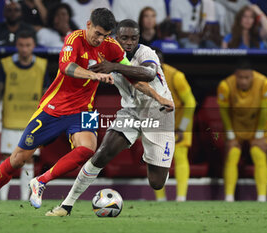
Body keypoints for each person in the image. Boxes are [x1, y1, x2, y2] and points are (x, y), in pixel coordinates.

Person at [0, 7, 133, 217]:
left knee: (89, 149)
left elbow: (128, 69)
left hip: (84, 109)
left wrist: (149, 82)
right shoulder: (73, 38)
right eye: (98, 33)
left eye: (106, 35)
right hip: (53, 108)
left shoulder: (112, 47)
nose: (100, 39)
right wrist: (94, 75)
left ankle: (41, 181)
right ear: (88, 25)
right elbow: (66, 67)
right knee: (17, 159)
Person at [43, 19, 175, 217]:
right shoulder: (105, 54)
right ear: (115, 38)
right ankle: (66, 205)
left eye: (134, 38)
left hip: (159, 112)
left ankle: (148, 149)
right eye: (124, 38)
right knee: (102, 153)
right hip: (131, 112)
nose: (129, 42)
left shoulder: (146, 53)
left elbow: (147, 74)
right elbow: (83, 72)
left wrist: (114, 66)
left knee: (157, 183)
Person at [0, 30, 49, 201]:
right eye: (21, 45)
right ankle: (2, 199)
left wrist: (46, 118)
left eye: (28, 45)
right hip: (10, 118)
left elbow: (46, 94)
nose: (24, 49)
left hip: (32, 121)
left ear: (33, 46)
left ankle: (24, 198)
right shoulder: (6, 64)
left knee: (28, 159)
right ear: (17, 46)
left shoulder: (41, 66)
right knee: (6, 158)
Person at [217, 59, 267, 202]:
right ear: (236, 76)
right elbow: (224, 113)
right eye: (240, 77)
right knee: (233, 155)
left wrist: (259, 135)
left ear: (252, 76)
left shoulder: (264, 83)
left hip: (257, 128)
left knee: (258, 154)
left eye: (247, 78)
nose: (243, 81)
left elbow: (264, 111)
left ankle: (262, 198)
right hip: (235, 128)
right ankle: (229, 197)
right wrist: (230, 136)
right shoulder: (225, 86)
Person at [153, 48, 196, 202]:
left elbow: (190, 102)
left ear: (162, 62)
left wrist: (182, 128)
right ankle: (160, 200)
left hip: (179, 122)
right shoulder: (141, 77)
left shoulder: (176, 76)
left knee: (179, 155)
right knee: (156, 158)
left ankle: (181, 198)